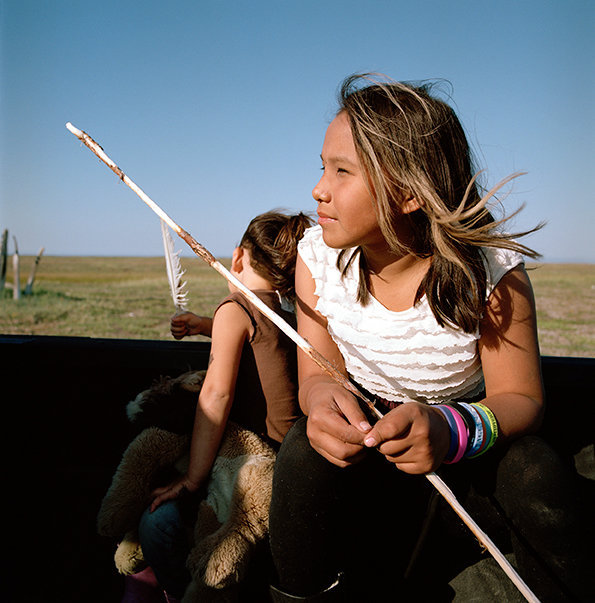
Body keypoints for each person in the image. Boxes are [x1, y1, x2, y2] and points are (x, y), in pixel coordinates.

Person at [268, 74, 593, 602]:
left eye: (341, 171)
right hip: (372, 443)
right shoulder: (316, 262)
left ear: (410, 193)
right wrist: (320, 401)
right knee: (304, 453)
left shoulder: (490, 279)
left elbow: (522, 400)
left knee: (534, 469)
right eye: (321, 166)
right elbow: (317, 373)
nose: (318, 188)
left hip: (464, 444)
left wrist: (447, 430)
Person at [135, 210, 313, 602]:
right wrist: (202, 324)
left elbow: (215, 395)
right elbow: (257, 338)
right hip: (287, 466)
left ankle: (178, 591)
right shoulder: (289, 316)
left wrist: (192, 480)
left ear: (237, 257)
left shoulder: (235, 308)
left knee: (156, 520)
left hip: (249, 464)